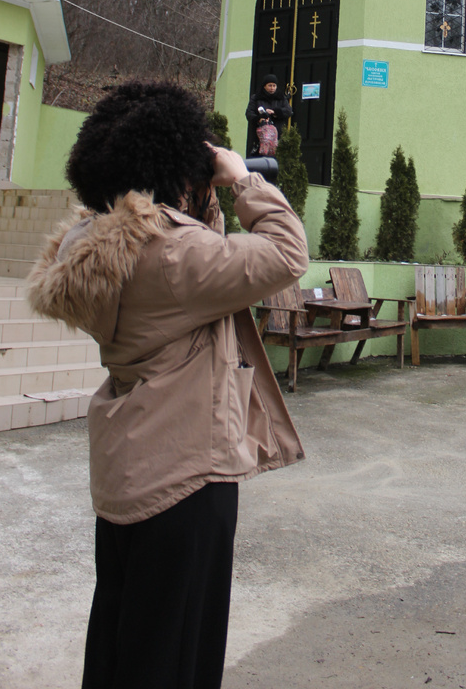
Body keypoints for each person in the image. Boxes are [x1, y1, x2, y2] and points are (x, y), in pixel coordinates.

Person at [27, 80, 308, 689]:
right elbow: (286, 254)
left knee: (127, 640)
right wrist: (241, 179)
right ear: (176, 168)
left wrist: (191, 189)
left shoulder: (101, 246)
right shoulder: (178, 259)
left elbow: (186, 235)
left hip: (129, 473)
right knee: (180, 652)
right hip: (186, 477)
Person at [245, 73, 293, 155]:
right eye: (270, 85)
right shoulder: (256, 98)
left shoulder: (281, 98)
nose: (272, 88)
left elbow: (289, 111)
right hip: (259, 136)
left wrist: (275, 112)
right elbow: (249, 113)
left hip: (278, 133)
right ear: (264, 86)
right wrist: (259, 118)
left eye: (274, 86)